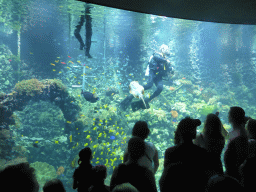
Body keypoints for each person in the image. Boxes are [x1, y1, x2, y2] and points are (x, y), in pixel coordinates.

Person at [161, 117, 218, 192]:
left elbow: (165, 179)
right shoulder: (202, 152)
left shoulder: (170, 152)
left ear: (179, 132)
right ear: (194, 133)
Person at [120, 44, 174, 111]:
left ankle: (147, 100)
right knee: (149, 85)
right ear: (162, 49)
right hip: (153, 73)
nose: (167, 50)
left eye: (167, 49)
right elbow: (155, 58)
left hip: (158, 76)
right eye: (166, 49)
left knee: (160, 88)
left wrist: (171, 70)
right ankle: (130, 97)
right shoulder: (157, 54)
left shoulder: (166, 60)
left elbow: (167, 70)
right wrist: (166, 61)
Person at [224, 106, 248, 180]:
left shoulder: (240, 133)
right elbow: (227, 137)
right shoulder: (236, 131)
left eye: (229, 114)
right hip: (231, 173)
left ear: (233, 117)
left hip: (234, 175)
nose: (228, 116)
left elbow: (240, 157)